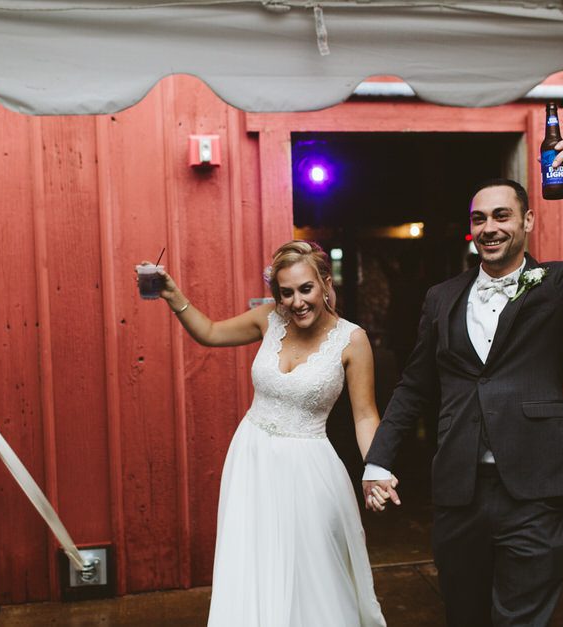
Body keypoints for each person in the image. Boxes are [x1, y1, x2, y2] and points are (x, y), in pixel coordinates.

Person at [361, 139, 563, 626]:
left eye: (501, 216)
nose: (489, 228)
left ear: (527, 221)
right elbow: (414, 386)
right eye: (479, 219)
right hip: (459, 490)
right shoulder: (441, 297)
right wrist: (378, 460)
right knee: (463, 613)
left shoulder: (558, 285)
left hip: (533, 487)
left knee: (522, 617)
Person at [146, 240, 386, 627]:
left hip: (309, 468)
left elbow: (365, 415)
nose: (297, 302)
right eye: (286, 293)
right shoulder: (268, 319)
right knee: (253, 560)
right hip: (251, 458)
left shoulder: (351, 340)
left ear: (325, 284)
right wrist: (173, 295)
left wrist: (376, 468)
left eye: (305, 289)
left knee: (314, 567)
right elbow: (210, 332)